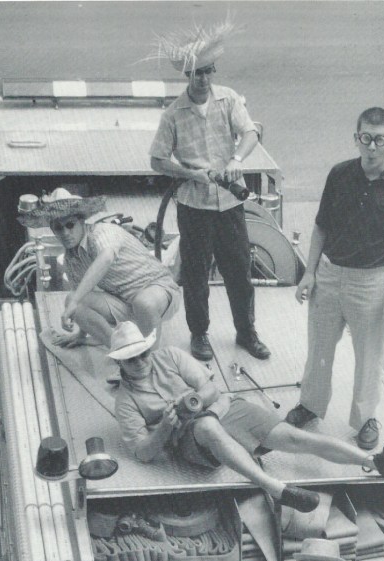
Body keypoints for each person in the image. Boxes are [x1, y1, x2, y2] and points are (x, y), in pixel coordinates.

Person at [109, 321, 384, 514]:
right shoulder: (125, 401)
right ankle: (275, 487)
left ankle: (373, 462)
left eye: (143, 353)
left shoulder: (170, 355)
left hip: (222, 409)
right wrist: (164, 427)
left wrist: (194, 403)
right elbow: (143, 452)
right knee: (208, 427)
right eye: (131, 359)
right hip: (189, 438)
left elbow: (210, 388)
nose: (140, 362)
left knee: (294, 437)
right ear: (120, 363)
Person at [286, 107, 384, 451]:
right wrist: (310, 273)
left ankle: (365, 420)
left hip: (372, 283)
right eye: (366, 138)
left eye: (379, 140)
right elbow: (321, 226)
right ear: (356, 139)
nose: (372, 147)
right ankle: (310, 405)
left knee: (369, 356)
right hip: (330, 276)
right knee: (319, 347)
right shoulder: (339, 175)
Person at [149, 21, 271, 362]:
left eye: (208, 72)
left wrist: (235, 159)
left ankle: (247, 332)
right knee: (196, 274)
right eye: (197, 74)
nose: (203, 79)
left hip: (230, 203)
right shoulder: (173, 114)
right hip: (194, 206)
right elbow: (157, 160)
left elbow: (250, 133)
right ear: (186, 75)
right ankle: (199, 334)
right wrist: (190, 173)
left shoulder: (229, 99)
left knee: (239, 272)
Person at [18, 188, 180, 349]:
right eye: (59, 228)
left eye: (70, 224)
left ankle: (152, 358)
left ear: (82, 222)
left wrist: (74, 301)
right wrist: (81, 334)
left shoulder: (102, 232)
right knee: (72, 300)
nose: (65, 232)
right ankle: (122, 350)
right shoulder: (71, 259)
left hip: (160, 293)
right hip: (126, 305)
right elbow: (80, 299)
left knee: (143, 302)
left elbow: (106, 258)